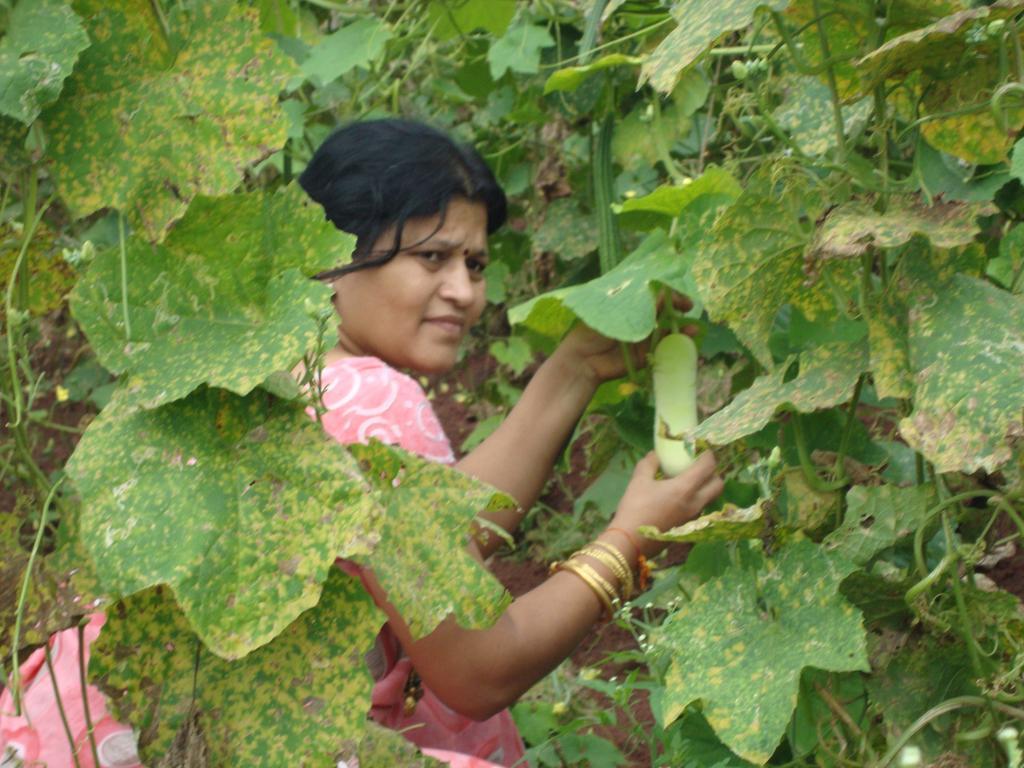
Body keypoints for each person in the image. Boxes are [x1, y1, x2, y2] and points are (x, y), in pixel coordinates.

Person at [0, 118, 723, 768]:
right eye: (432, 257)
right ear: (333, 260)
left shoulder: (260, 371)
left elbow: (428, 547)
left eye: (473, 264)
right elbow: (476, 670)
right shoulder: (372, 398)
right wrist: (630, 539)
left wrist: (572, 369)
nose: (465, 291)